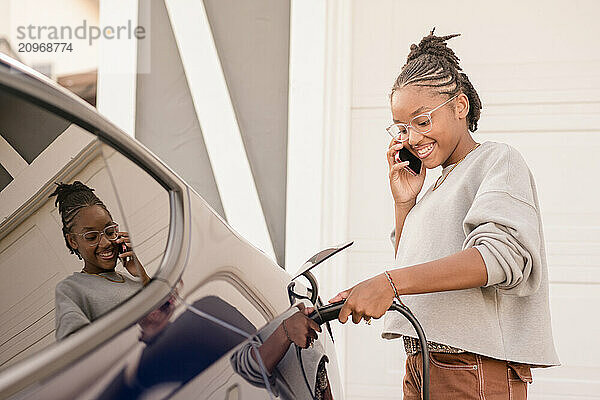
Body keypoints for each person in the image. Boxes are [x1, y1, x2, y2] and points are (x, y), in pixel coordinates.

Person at [329, 29, 560, 399]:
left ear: (459, 106)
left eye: (422, 121)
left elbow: (499, 259)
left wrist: (388, 282)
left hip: (470, 368)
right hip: (423, 361)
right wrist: (405, 203)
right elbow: (416, 271)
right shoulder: (436, 186)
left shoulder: (496, 160)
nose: (412, 138)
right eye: (402, 128)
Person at [51, 181, 150, 340]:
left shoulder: (132, 279)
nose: (105, 243)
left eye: (109, 231)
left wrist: (142, 276)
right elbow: (74, 349)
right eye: (91, 237)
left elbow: (166, 307)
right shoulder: (72, 289)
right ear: (73, 241)